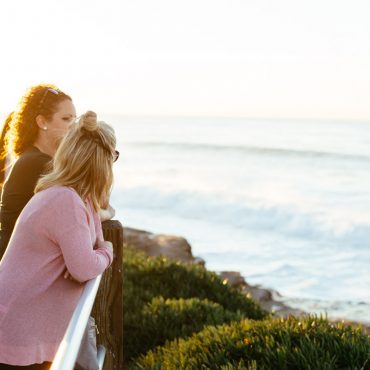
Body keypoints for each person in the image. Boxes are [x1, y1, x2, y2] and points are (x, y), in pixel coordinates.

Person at [0, 111, 117, 369]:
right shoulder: (64, 200)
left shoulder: (78, 199)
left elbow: (90, 244)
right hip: (13, 328)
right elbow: (85, 266)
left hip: (26, 325)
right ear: (101, 162)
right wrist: (107, 252)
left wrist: (90, 254)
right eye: (113, 157)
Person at [0, 84, 76, 258]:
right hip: (14, 265)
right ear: (42, 122)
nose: (73, 126)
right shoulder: (36, 164)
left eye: (74, 119)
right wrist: (108, 213)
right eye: (66, 119)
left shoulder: (38, 160)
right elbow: (92, 207)